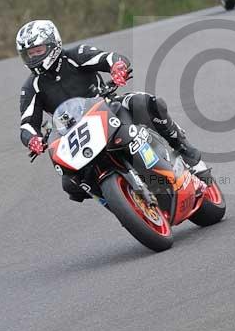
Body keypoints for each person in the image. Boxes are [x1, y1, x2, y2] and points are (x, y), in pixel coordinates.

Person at [17, 20, 204, 202]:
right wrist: (33, 139)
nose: (34, 57)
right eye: (29, 54)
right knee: (69, 183)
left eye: (38, 51)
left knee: (145, 103)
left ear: (53, 44)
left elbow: (108, 57)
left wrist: (117, 67)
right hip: (74, 136)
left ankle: (186, 152)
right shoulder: (31, 86)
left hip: (108, 108)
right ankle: (115, 200)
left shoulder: (76, 55)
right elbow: (27, 124)